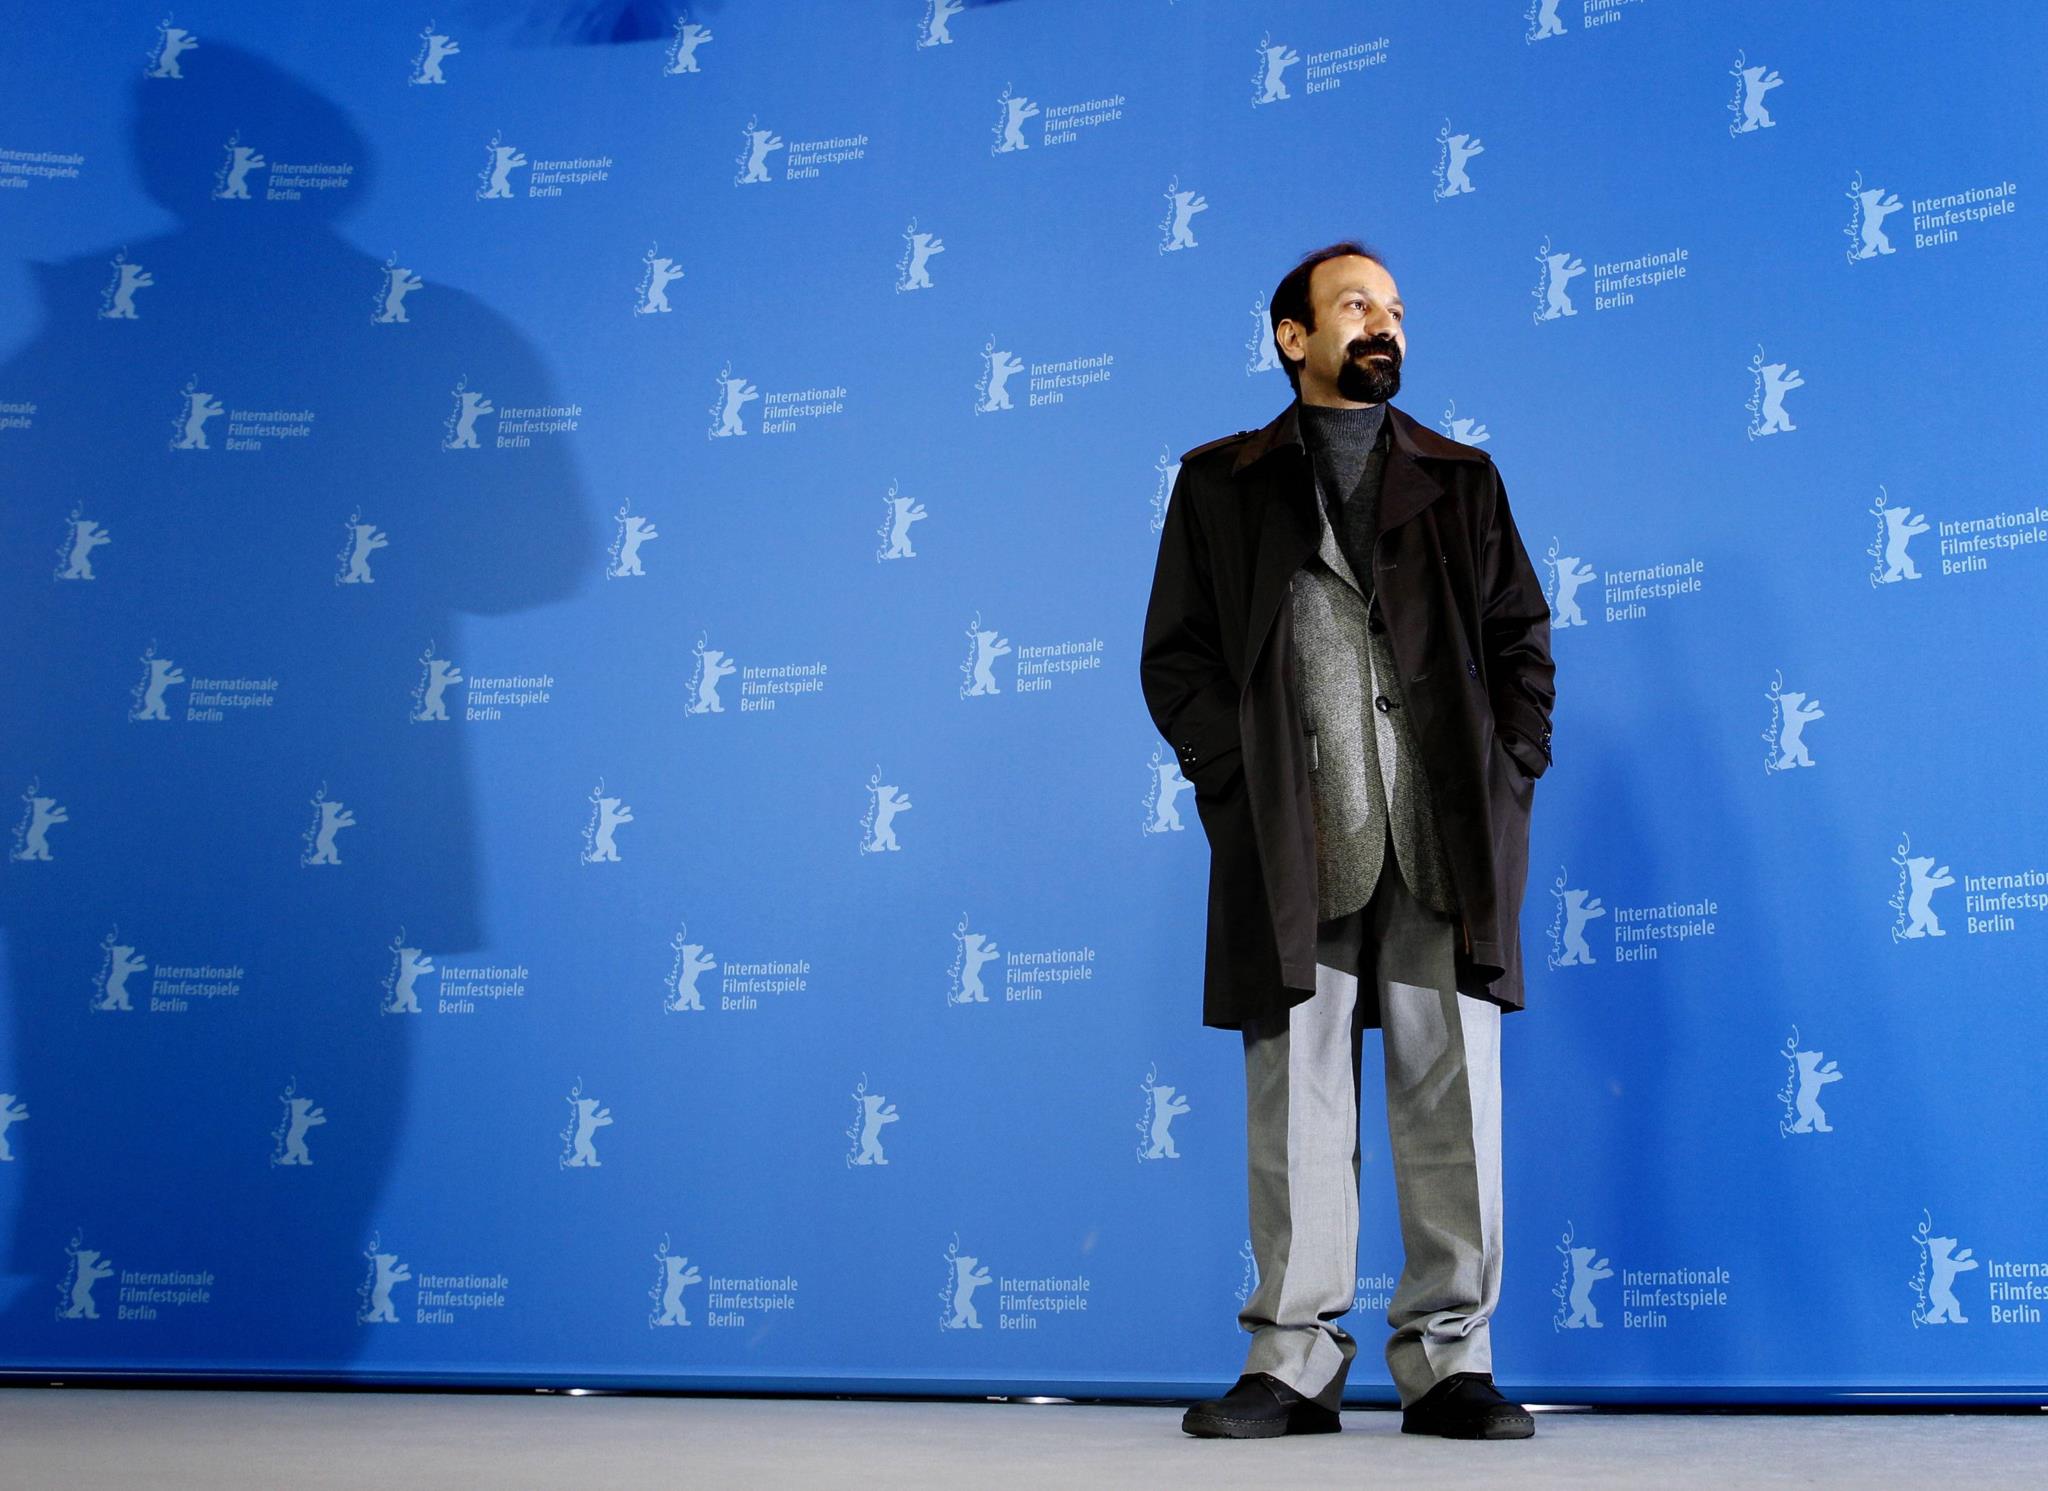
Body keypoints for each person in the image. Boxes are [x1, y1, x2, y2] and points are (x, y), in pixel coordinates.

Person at [1140, 242, 1555, 1441]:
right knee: (1295, 1102)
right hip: (1292, 838)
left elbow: (1520, 638)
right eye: (1356, 305)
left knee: (1451, 1096)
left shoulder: (1460, 479)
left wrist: (1508, 768)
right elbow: (1175, 657)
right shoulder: (1218, 484)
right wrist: (1236, 780)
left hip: (1444, 836)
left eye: (1395, 309)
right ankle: (1292, 1365)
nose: (1384, 325)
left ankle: (1450, 1364)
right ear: (1292, 336)